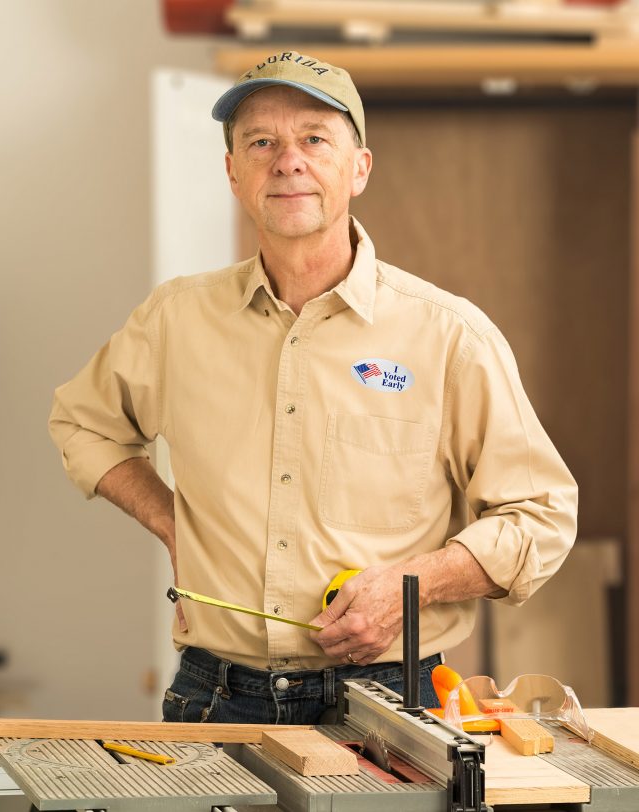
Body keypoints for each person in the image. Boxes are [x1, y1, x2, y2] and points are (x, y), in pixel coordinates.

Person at [48, 51, 578, 725]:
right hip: (214, 697)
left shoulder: (448, 336)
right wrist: (171, 523)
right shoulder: (174, 320)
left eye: (314, 139)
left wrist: (409, 588)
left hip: (390, 702)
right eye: (260, 142)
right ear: (233, 172)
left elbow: (542, 515)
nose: (287, 160)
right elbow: (82, 423)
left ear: (359, 169)